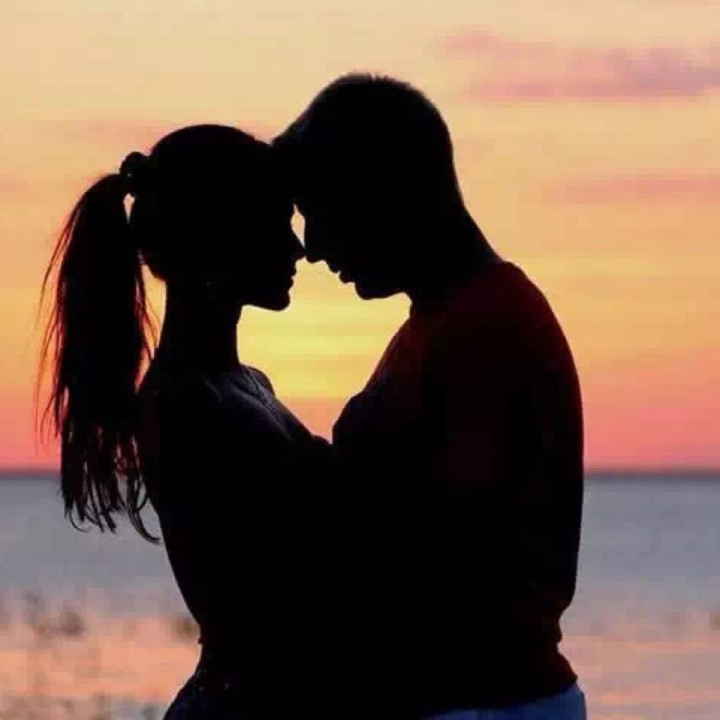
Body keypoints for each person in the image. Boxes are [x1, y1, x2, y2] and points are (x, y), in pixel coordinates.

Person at [275, 74, 587, 719]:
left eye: (319, 211)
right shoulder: (446, 320)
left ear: (380, 192)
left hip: (480, 702)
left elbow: (451, 551)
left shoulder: (486, 327)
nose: (314, 247)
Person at [38, 124, 336, 718]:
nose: (297, 248)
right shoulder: (188, 404)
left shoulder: (244, 385)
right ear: (221, 238)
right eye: (275, 223)